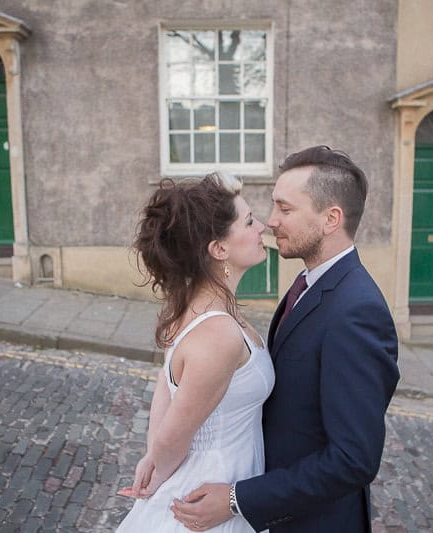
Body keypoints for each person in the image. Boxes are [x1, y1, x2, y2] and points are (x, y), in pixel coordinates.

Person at [171, 146, 400, 532]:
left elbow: (353, 459)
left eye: (285, 209)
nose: (270, 221)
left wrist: (238, 499)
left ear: (331, 219)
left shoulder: (357, 311)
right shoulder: (309, 283)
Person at [116, 173, 275, 533]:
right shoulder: (218, 333)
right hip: (210, 493)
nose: (262, 227)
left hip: (226, 483)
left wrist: (152, 458)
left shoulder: (196, 308)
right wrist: (158, 473)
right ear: (219, 249)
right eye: (249, 221)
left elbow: (167, 385)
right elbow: (173, 436)